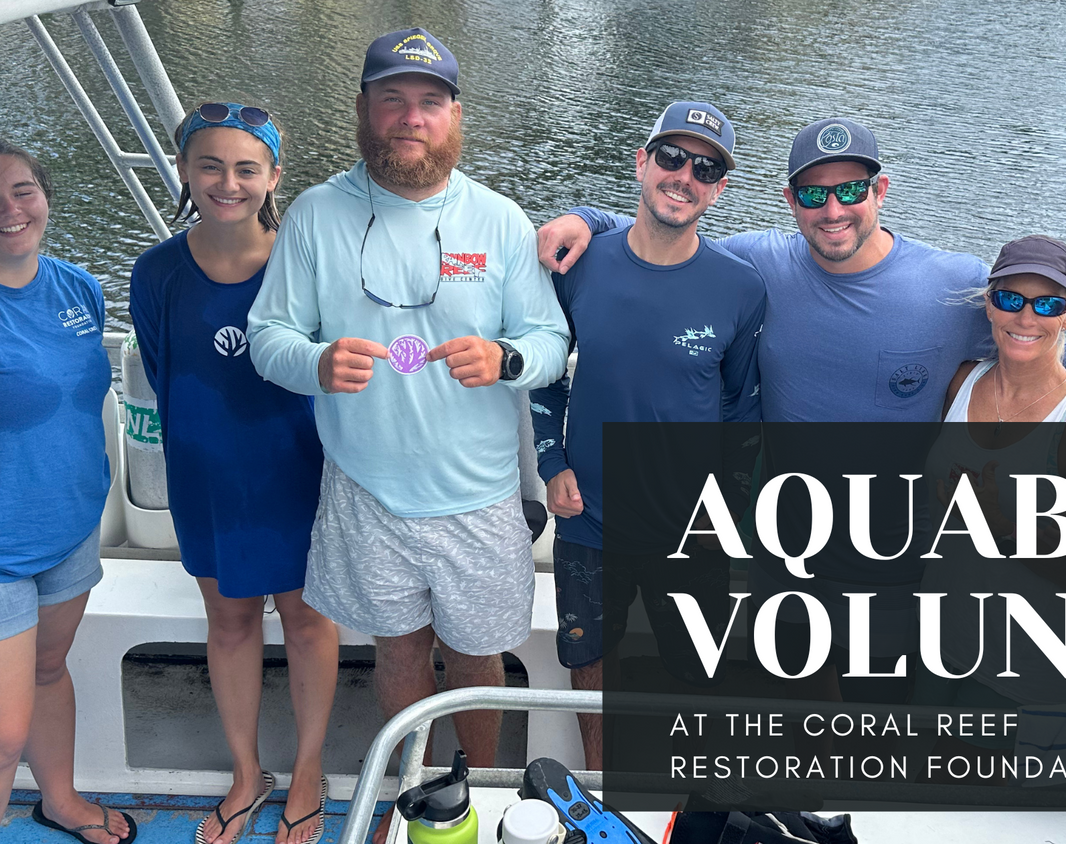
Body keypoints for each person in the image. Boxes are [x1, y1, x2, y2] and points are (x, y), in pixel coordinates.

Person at [535, 116, 1066, 713]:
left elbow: (1029, 326)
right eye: (814, 193)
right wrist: (585, 219)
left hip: (901, 548)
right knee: (806, 693)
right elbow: (667, 230)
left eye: (852, 189)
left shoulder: (948, 281)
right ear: (791, 201)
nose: (833, 211)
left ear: (880, 191)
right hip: (790, 534)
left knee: (883, 701)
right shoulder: (762, 264)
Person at [245, 28, 569, 838]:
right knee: (396, 648)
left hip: (480, 493)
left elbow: (553, 345)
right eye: (392, 99)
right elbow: (267, 337)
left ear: (456, 116)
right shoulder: (316, 213)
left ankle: (480, 792)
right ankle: (415, 787)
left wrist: (506, 356)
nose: (409, 118)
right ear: (364, 108)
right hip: (364, 487)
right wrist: (316, 363)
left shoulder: (497, 219)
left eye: (429, 103)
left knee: (478, 659)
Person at [531, 101, 766, 770]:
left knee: (694, 667)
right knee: (587, 656)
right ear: (641, 163)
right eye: (671, 157)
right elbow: (548, 375)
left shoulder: (740, 287)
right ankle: (602, 788)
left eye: (707, 167)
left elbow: (743, 412)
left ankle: (681, 791)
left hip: (688, 525)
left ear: (719, 189)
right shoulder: (578, 263)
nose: (684, 175)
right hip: (587, 515)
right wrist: (551, 462)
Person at [128, 105, 337, 844]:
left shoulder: (302, 264)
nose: (228, 182)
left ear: (274, 177)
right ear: (184, 170)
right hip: (208, 481)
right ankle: (247, 773)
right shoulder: (156, 273)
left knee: (310, 620)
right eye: (210, 165)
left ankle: (308, 768)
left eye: (247, 168)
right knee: (230, 620)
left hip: (297, 473)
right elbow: (163, 371)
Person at [916, 234, 1066, 774]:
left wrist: (1002, 526)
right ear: (989, 303)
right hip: (939, 640)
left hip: (1022, 668)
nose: (1026, 317)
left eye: (1048, 304)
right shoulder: (960, 382)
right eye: (1011, 299)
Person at [0, 143, 136, 844]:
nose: (10, 210)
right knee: (3, 729)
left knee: (50, 670)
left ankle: (58, 799)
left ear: (44, 197)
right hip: (2, 548)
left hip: (71, 524)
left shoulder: (77, 287)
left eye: (22, 190)